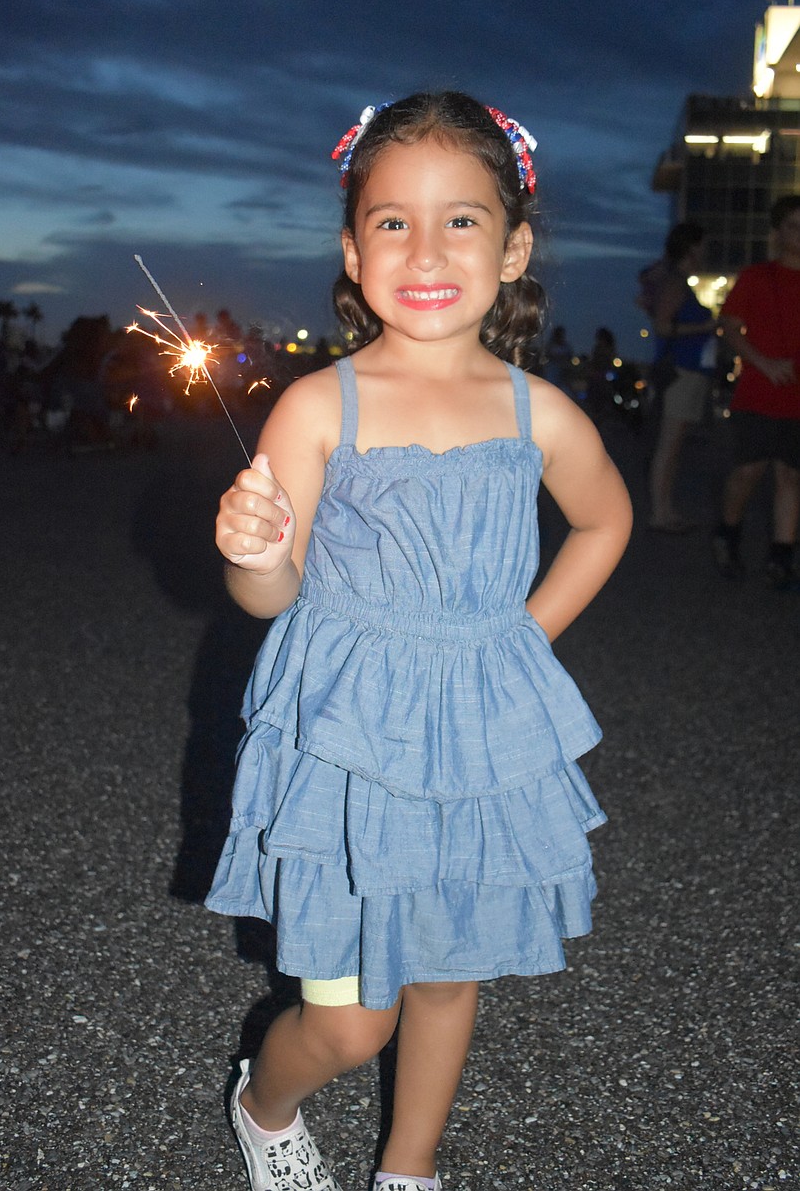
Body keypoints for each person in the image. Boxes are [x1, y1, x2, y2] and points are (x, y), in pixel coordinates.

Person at [207, 93, 633, 1191]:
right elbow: (269, 594)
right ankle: (264, 1102)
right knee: (352, 1023)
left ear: (514, 245)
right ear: (353, 250)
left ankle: (411, 1168)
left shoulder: (537, 410)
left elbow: (605, 517)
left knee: (451, 972)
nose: (427, 248)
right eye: (393, 221)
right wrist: (253, 550)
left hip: (476, 741)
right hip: (352, 747)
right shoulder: (319, 405)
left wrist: (522, 639)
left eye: (462, 219)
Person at [712, 196, 800, 587]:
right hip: (758, 389)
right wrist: (763, 363)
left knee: (790, 475)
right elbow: (729, 327)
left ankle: (781, 555)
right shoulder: (756, 277)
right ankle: (727, 534)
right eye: (794, 226)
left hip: (796, 393)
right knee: (748, 471)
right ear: (779, 232)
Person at [640, 222, 715, 532]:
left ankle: (665, 509)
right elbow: (662, 326)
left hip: (686, 371)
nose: (706, 250)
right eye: (702, 244)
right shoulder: (676, 283)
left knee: (672, 444)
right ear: (692, 247)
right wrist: (708, 327)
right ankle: (660, 512)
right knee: (668, 444)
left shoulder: (676, 280)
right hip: (680, 371)